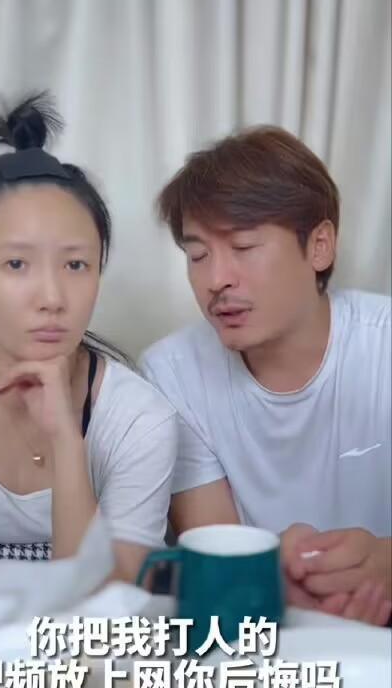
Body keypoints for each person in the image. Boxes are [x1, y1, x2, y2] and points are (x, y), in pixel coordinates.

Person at [0, 92, 177, 642]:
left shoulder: (139, 418)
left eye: (76, 265)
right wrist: (46, 620)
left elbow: (105, 623)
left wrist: (66, 441)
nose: (53, 297)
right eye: (17, 264)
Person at [140, 125, 391, 625]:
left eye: (244, 246)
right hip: (257, 627)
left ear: (319, 246)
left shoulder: (383, 344)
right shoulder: (172, 374)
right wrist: (278, 581)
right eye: (197, 255)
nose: (216, 280)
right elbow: (217, 551)